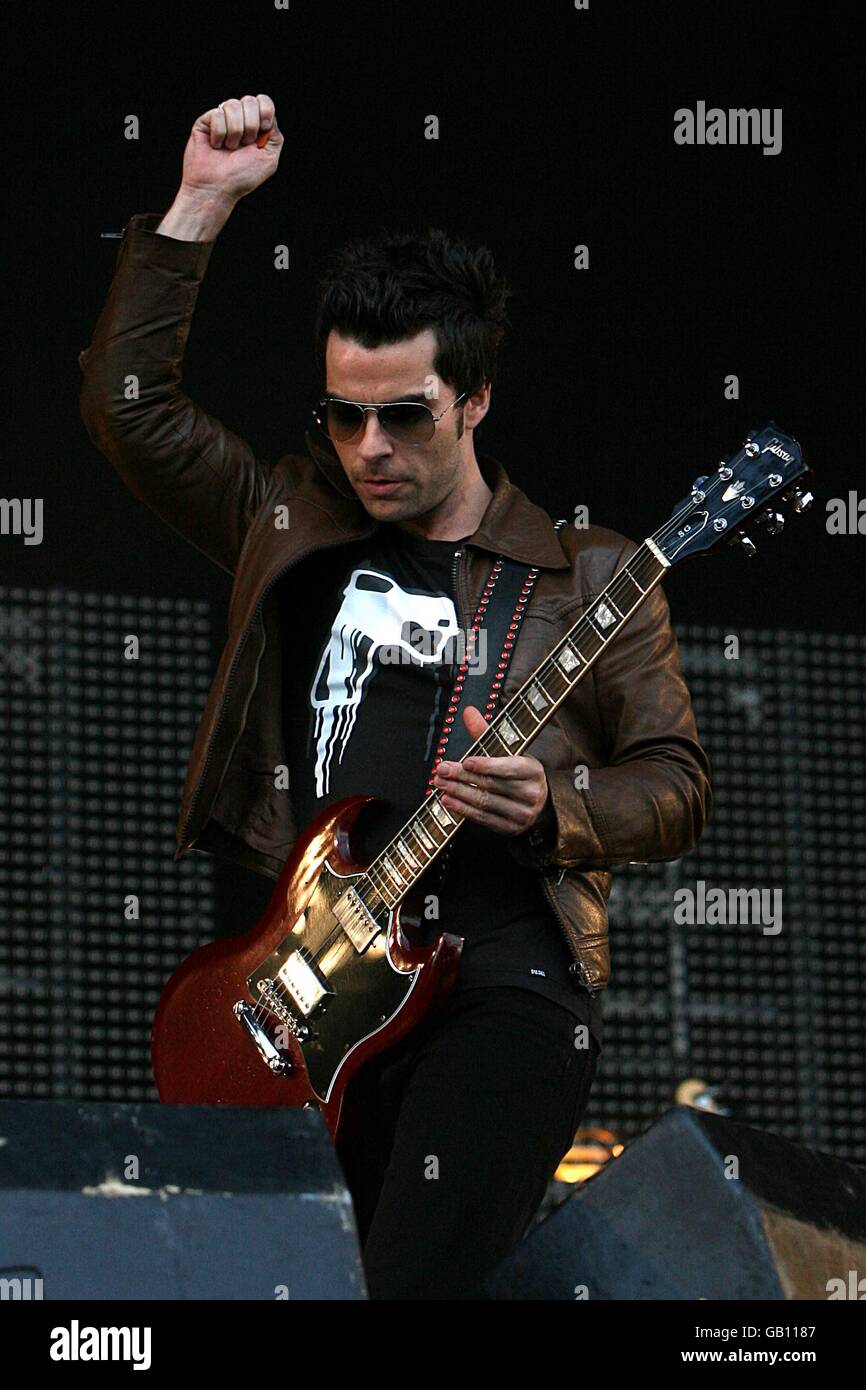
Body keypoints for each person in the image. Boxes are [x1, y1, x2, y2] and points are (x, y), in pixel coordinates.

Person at [79, 94, 713, 1299]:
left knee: (408, 1284)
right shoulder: (292, 522)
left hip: (503, 986)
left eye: (403, 416)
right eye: (343, 413)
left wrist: (552, 801)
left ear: (473, 402)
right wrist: (198, 208)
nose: (367, 446)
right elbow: (127, 411)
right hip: (314, 987)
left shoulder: (591, 576)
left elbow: (675, 786)